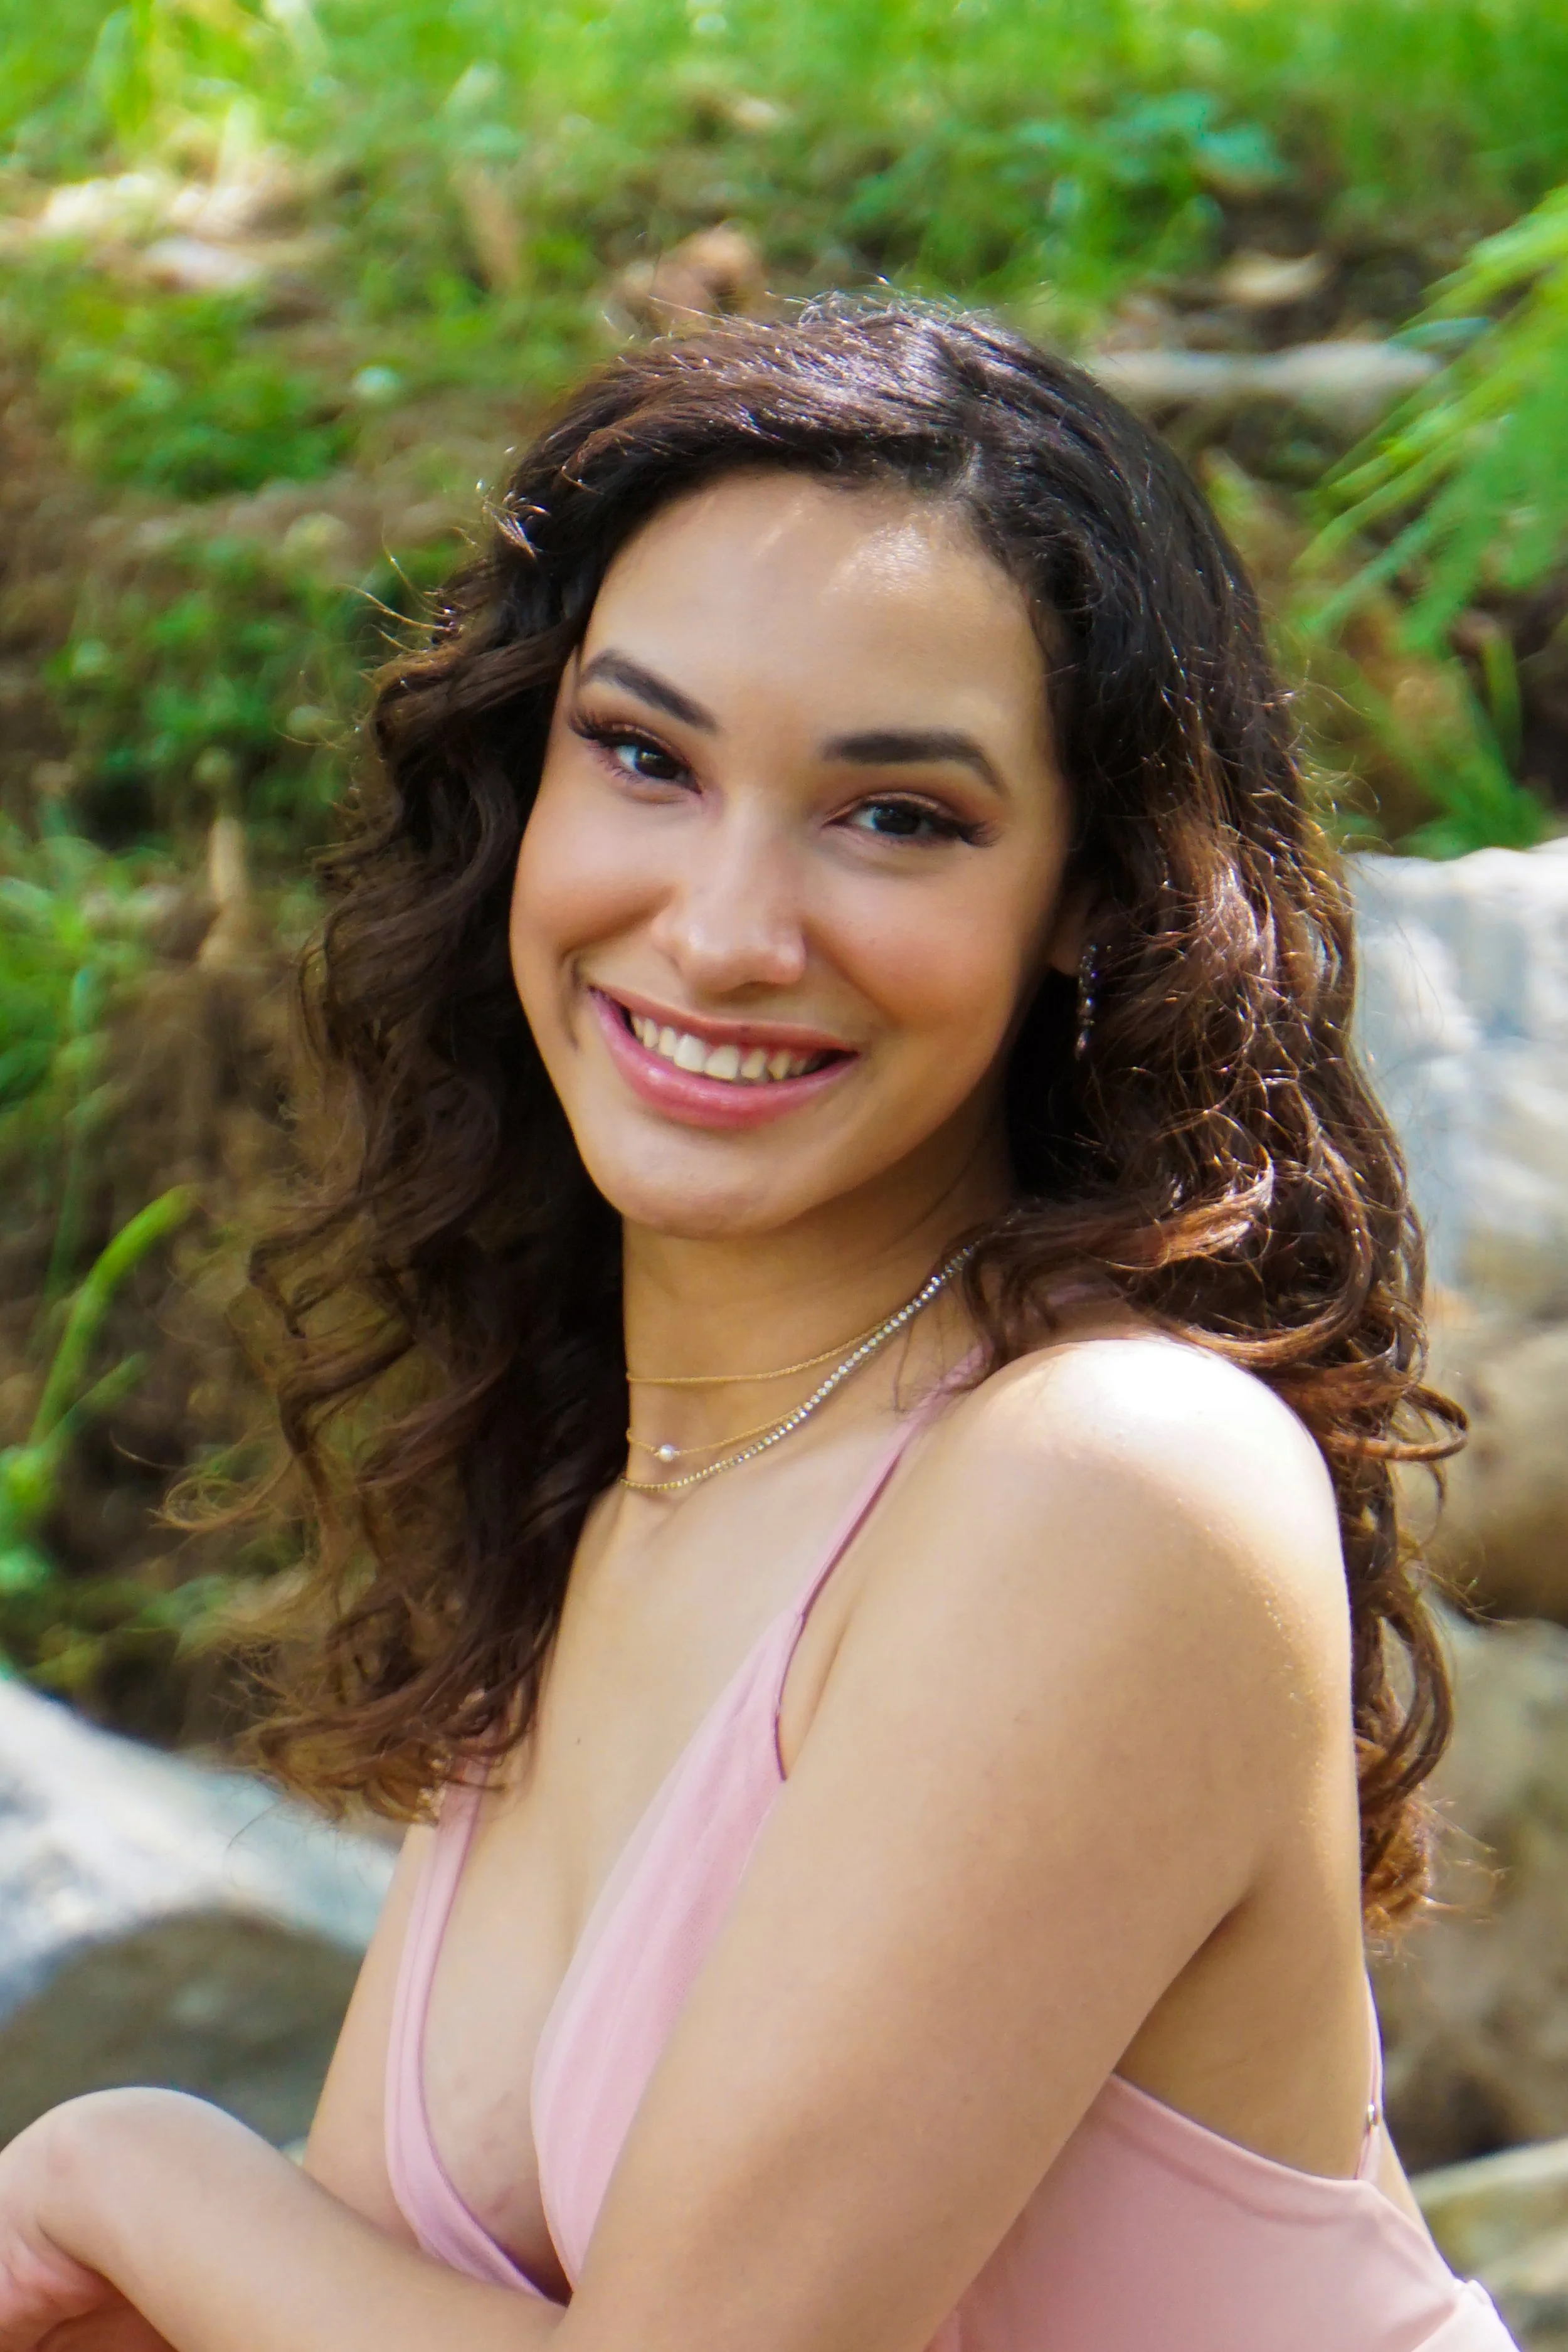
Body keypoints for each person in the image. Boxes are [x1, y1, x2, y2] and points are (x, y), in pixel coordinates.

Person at [0, 302, 1518, 2352]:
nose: (721, 927)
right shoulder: (624, 1497)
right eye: (641, 755)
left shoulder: (1107, 1483)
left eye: (896, 814)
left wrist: (134, 2170)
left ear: (1086, 899)